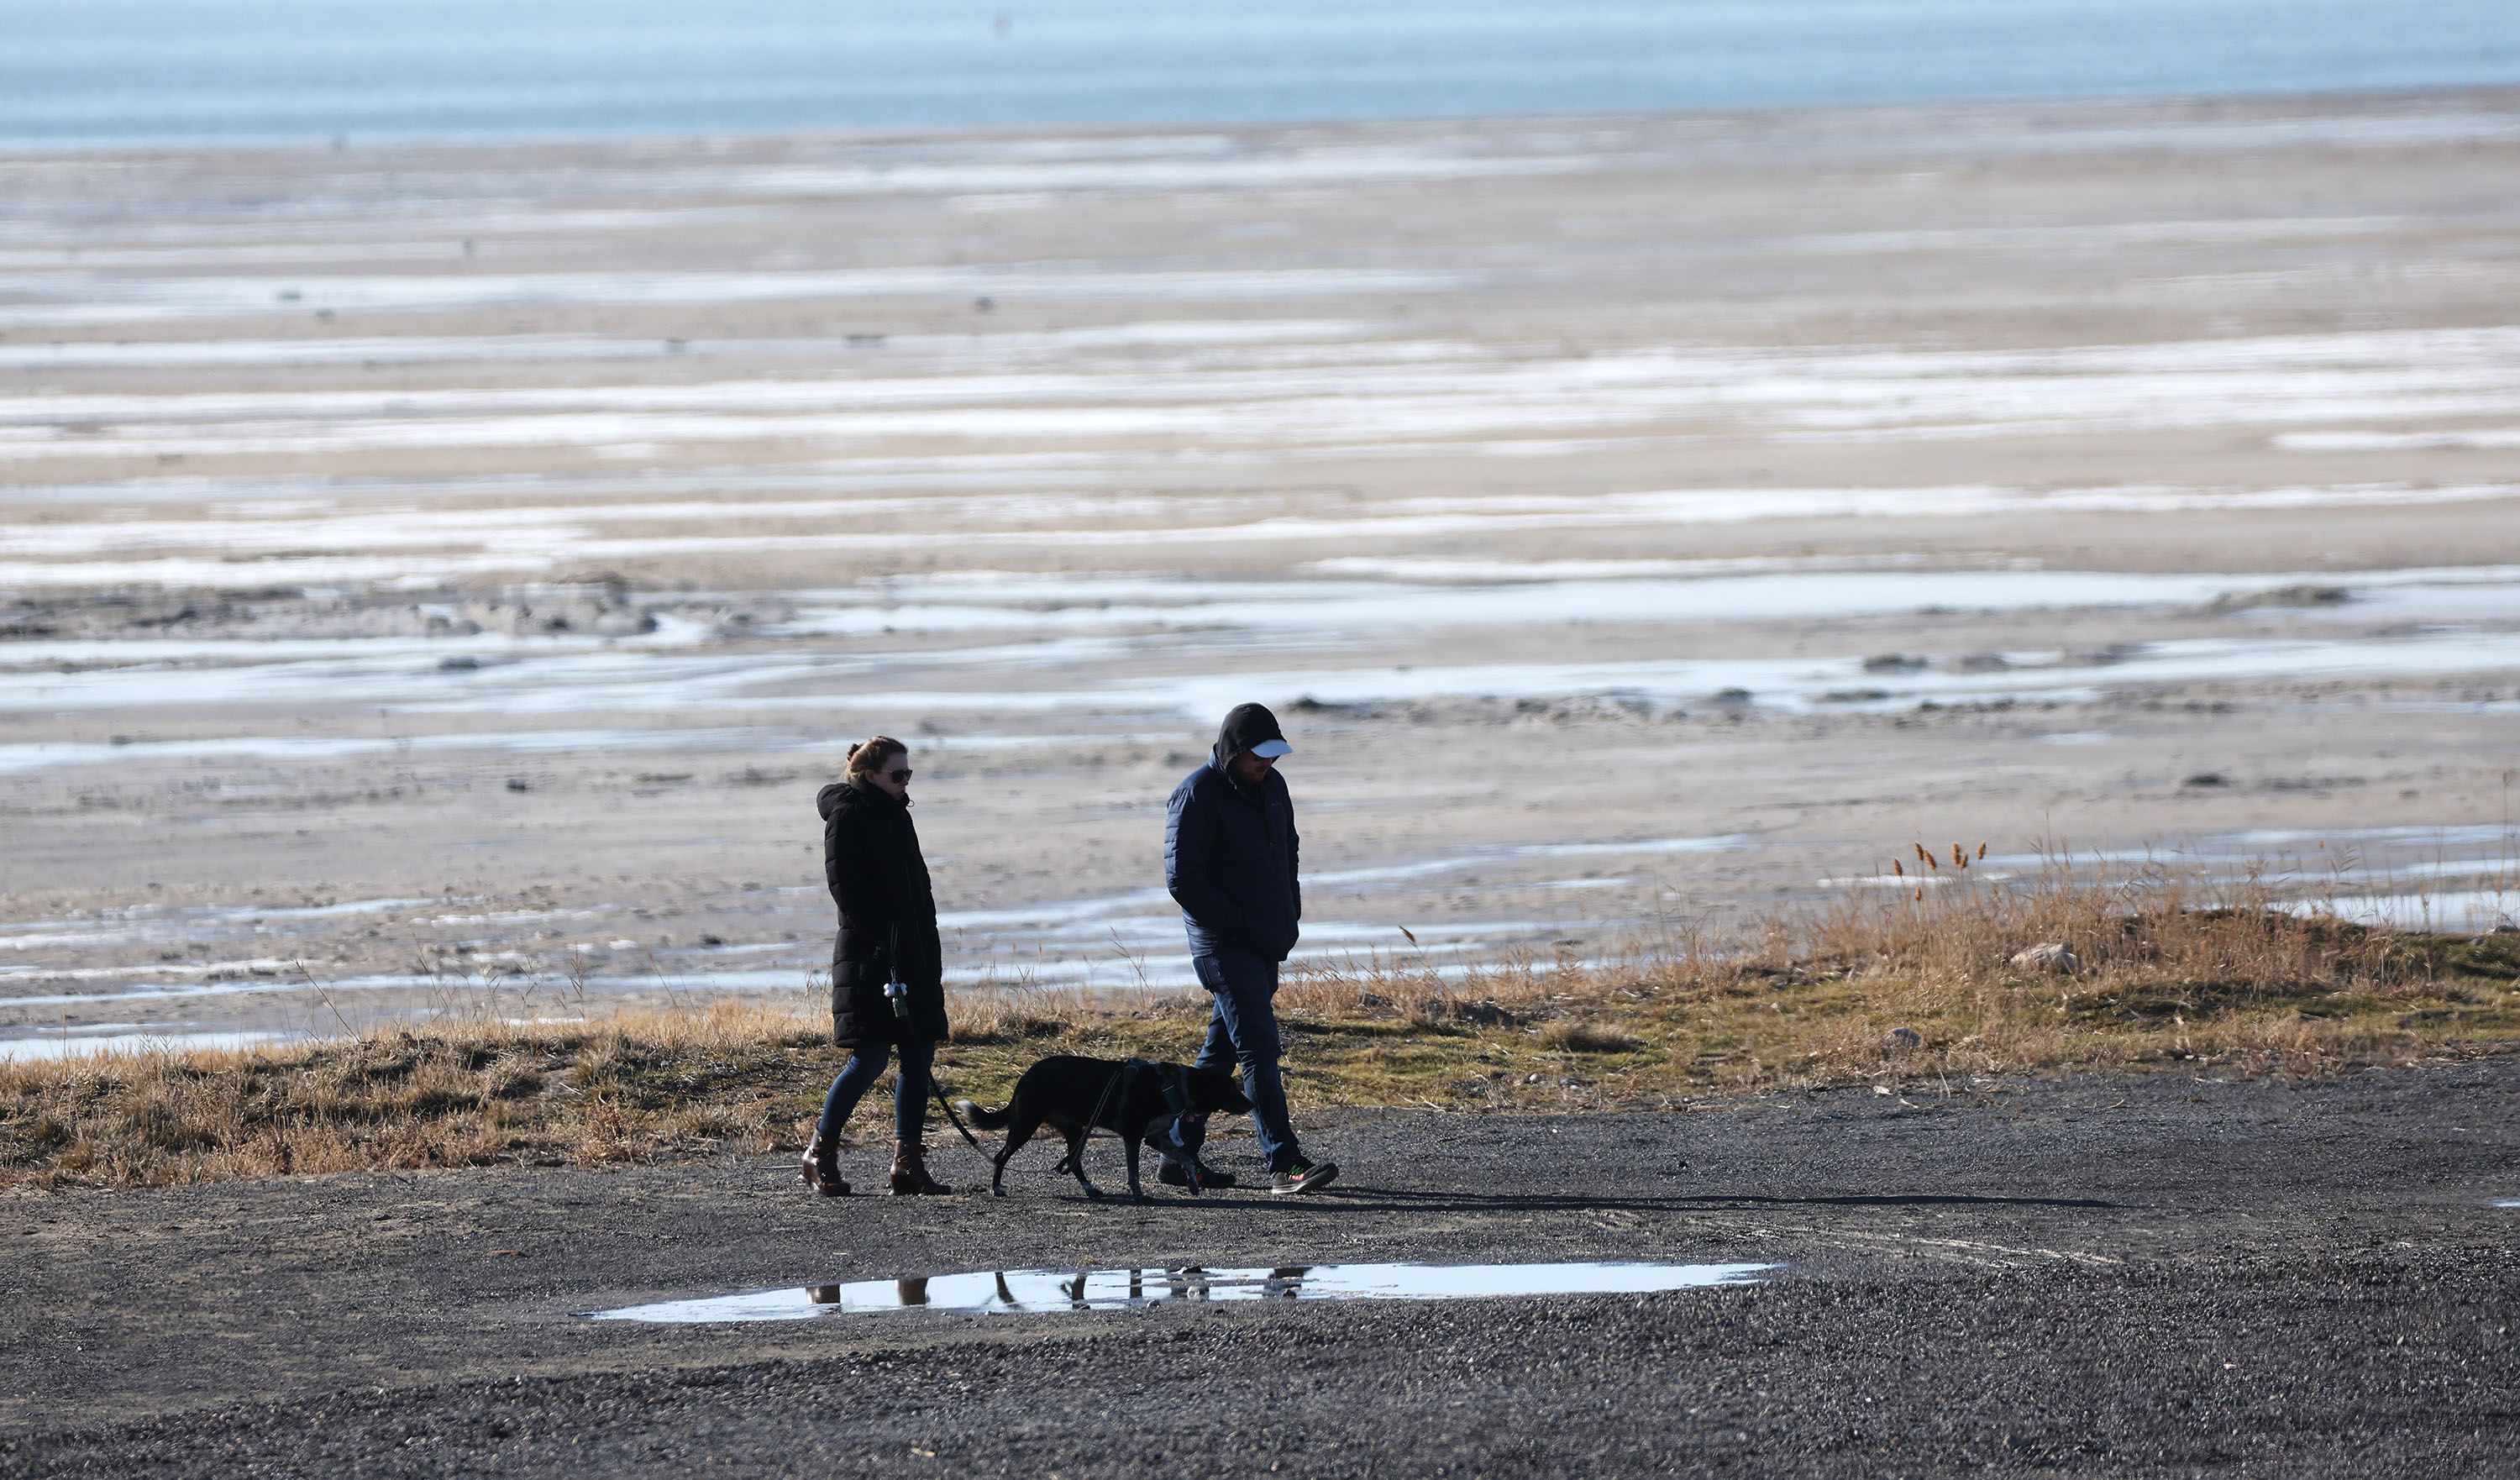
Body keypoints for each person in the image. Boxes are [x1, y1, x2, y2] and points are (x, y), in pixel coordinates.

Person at [1164, 702, 1340, 1194]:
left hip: (1264, 940)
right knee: (1260, 1050)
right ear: (1233, 751)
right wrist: (1241, 926)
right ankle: (1284, 1163)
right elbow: (1182, 880)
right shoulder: (1196, 795)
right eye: (1258, 756)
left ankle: (1178, 1151)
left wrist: (1289, 915)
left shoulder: (1274, 787)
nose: (1268, 763)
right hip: (1224, 946)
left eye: (1273, 754)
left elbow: (1288, 851)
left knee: (1220, 1055)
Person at [801, 736, 952, 1197]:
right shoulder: (847, 815)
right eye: (898, 774)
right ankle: (820, 1153)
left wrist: (921, 948)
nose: (906, 782)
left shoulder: (898, 814)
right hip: (870, 959)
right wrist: (884, 943)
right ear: (870, 775)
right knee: (869, 1058)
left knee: (919, 1055)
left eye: (909, 773)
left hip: (913, 954)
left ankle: (907, 1164)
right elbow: (846, 891)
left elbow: (916, 890)